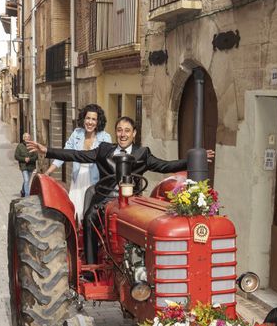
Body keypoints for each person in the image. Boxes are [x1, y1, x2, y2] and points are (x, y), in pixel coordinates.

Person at [26, 117, 214, 265]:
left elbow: (166, 166)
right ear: (115, 133)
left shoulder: (142, 153)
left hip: (132, 202)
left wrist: (195, 160)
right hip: (105, 199)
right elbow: (78, 155)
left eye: (127, 131)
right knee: (91, 217)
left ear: (134, 133)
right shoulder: (104, 150)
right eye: (119, 130)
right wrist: (47, 150)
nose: (122, 134)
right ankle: (92, 266)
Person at [42, 104, 112, 221]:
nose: (90, 122)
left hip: (95, 181)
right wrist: (48, 172)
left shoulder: (105, 137)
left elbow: (108, 162)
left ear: (98, 121)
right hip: (78, 179)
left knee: (89, 213)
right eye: (88, 118)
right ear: (83, 119)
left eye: (94, 119)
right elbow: (64, 154)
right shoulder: (77, 133)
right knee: (75, 212)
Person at [14, 132, 38, 197]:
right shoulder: (20, 146)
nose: (27, 138)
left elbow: (36, 156)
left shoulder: (33, 146)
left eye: (28, 137)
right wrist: (24, 159)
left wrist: (29, 159)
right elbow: (16, 156)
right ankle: (27, 196)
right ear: (23, 138)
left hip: (31, 166)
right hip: (23, 166)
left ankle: (22, 191)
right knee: (26, 180)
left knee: (26, 181)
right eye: (26, 137)